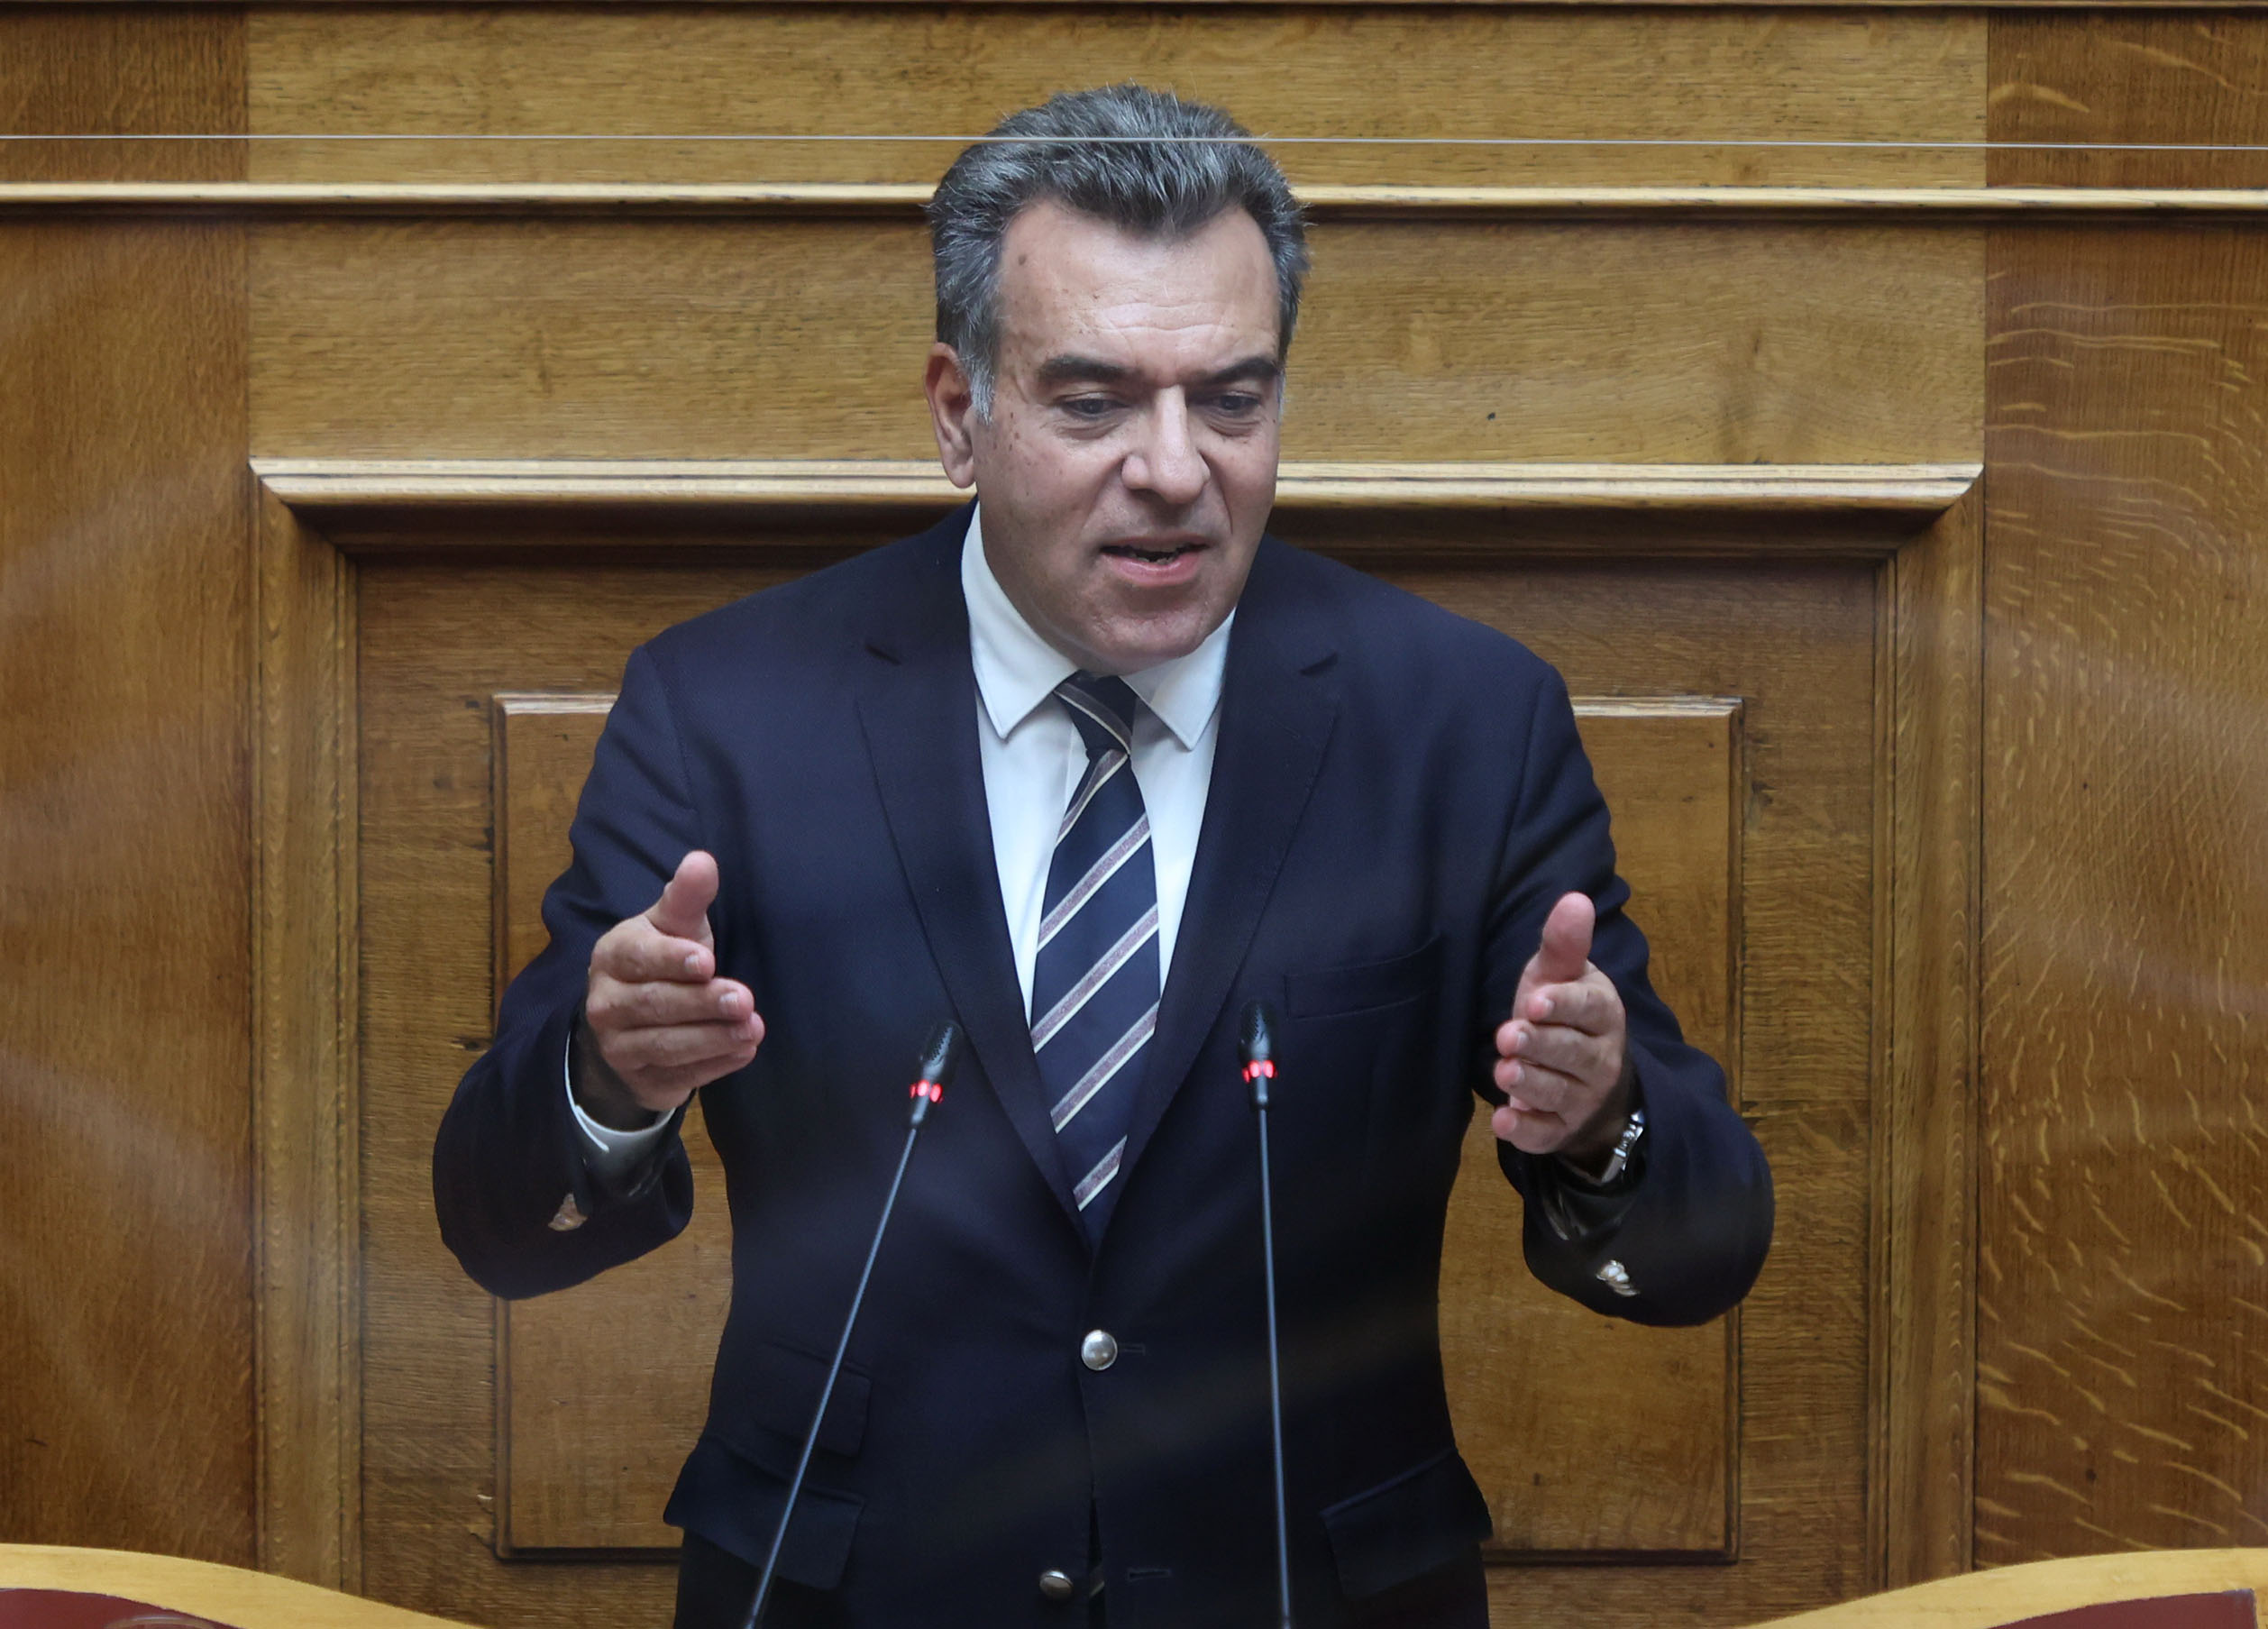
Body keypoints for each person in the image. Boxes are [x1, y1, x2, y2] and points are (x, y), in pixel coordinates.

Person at [433, 83, 1772, 1629]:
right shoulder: (728, 713)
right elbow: (499, 1224)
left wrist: (1599, 1122)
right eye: (1093, 403)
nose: (1175, 467)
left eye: (1232, 400)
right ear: (959, 413)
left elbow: (1704, 1248)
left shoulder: (1463, 724)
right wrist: (609, 1083)